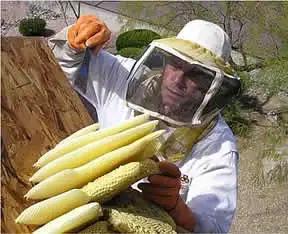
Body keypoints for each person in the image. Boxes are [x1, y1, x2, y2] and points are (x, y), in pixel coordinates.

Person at [48, 15, 239, 232]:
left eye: (196, 74)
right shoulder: (123, 76)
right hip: (79, 208)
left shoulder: (218, 146)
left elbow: (213, 226)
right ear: (165, 61)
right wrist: (76, 40)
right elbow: (62, 63)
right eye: (176, 64)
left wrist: (176, 208)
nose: (178, 80)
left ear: (212, 86)